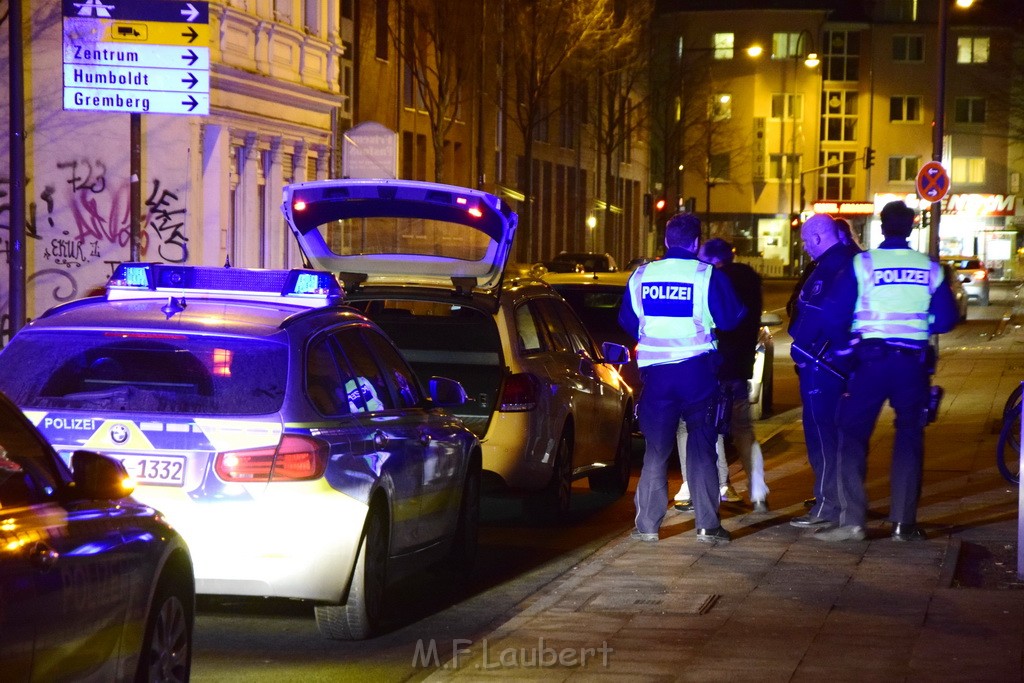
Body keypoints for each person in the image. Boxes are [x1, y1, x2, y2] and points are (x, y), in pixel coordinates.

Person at [815, 200, 959, 541]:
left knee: (851, 434)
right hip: (911, 364)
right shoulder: (929, 267)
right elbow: (948, 318)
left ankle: (853, 521)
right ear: (911, 227)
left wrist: (844, 344)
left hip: (870, 363)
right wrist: (921, 323)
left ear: (882, 227)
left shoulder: (863, 264)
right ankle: (903, 524)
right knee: (910, 435)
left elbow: (832, 314)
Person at [619, 213, 745, 544]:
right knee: (702, 448)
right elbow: (731, 319)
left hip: (656, 377)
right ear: (696, 243)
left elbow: (628, 319)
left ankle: (647, 526)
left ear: (665, 241)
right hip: (697, 374)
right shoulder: (706, 275)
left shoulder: (642, 275)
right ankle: (707, 526)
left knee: (655, 451)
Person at [674, 238, 769, 513]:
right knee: (743, 431)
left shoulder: (713, 280)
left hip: (711, 367)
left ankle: (698, 487)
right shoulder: (750, 280)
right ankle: (758, 489)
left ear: (713, 260)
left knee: (695, 425)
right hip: (738, 369)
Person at [787, 213, 861, 530]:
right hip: (848, 365)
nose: (805, 248)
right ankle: (846, 504)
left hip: (823, 363)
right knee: (844, 438)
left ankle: (827, 505)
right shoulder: (856, 261)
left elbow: (814, 316)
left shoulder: (828, 268)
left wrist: (800, 346)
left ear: (818, 237)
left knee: (821, 436)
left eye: (806, 241)